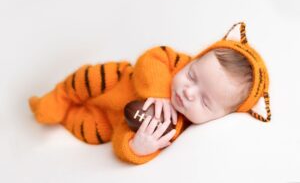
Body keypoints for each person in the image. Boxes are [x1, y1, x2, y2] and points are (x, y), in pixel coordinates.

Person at [28, 22, 271, 165]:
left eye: (205, 101)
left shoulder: (173, 127)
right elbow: (152, 57)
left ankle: (65, 116)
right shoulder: (176, 62)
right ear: (194, 60)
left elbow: (121, 137)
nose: (188, 92)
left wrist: (137, 147)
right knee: (87, 79)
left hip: (108, 121)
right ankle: (60, 97)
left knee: (93, 131)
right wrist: (159, 92)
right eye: (192, 76)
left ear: (219, 117)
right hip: (113, 82)